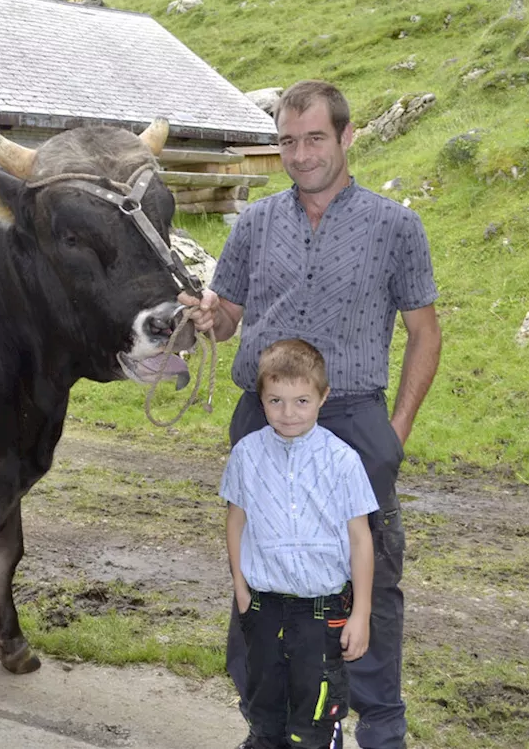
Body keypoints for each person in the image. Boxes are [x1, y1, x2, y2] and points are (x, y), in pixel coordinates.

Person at [179, 79, 441, 749]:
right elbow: (230, 316)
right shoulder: (255, 223)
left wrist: (394, 434)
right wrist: (212, 318)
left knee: (368, 575)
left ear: (347, 137)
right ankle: (269, 722)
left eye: (315, 138)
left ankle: (380, 729)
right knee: (264, 570)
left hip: (354, 420)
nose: (300, 154)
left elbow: (425, 334)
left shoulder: (394, 226)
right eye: (287, 141)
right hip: (262, 420)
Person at [222, 338, 378, 749]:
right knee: (264, 714)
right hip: (263, 608)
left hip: (320, 614)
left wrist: (360, 613)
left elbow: (360, 540)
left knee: (312, 723)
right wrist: (241, 589)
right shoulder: (246, 455)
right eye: (276, 401)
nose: (288, 413)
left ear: (323, 397)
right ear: (262, 400)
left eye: (301, 401)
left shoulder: (343, 460)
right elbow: (236, 521)